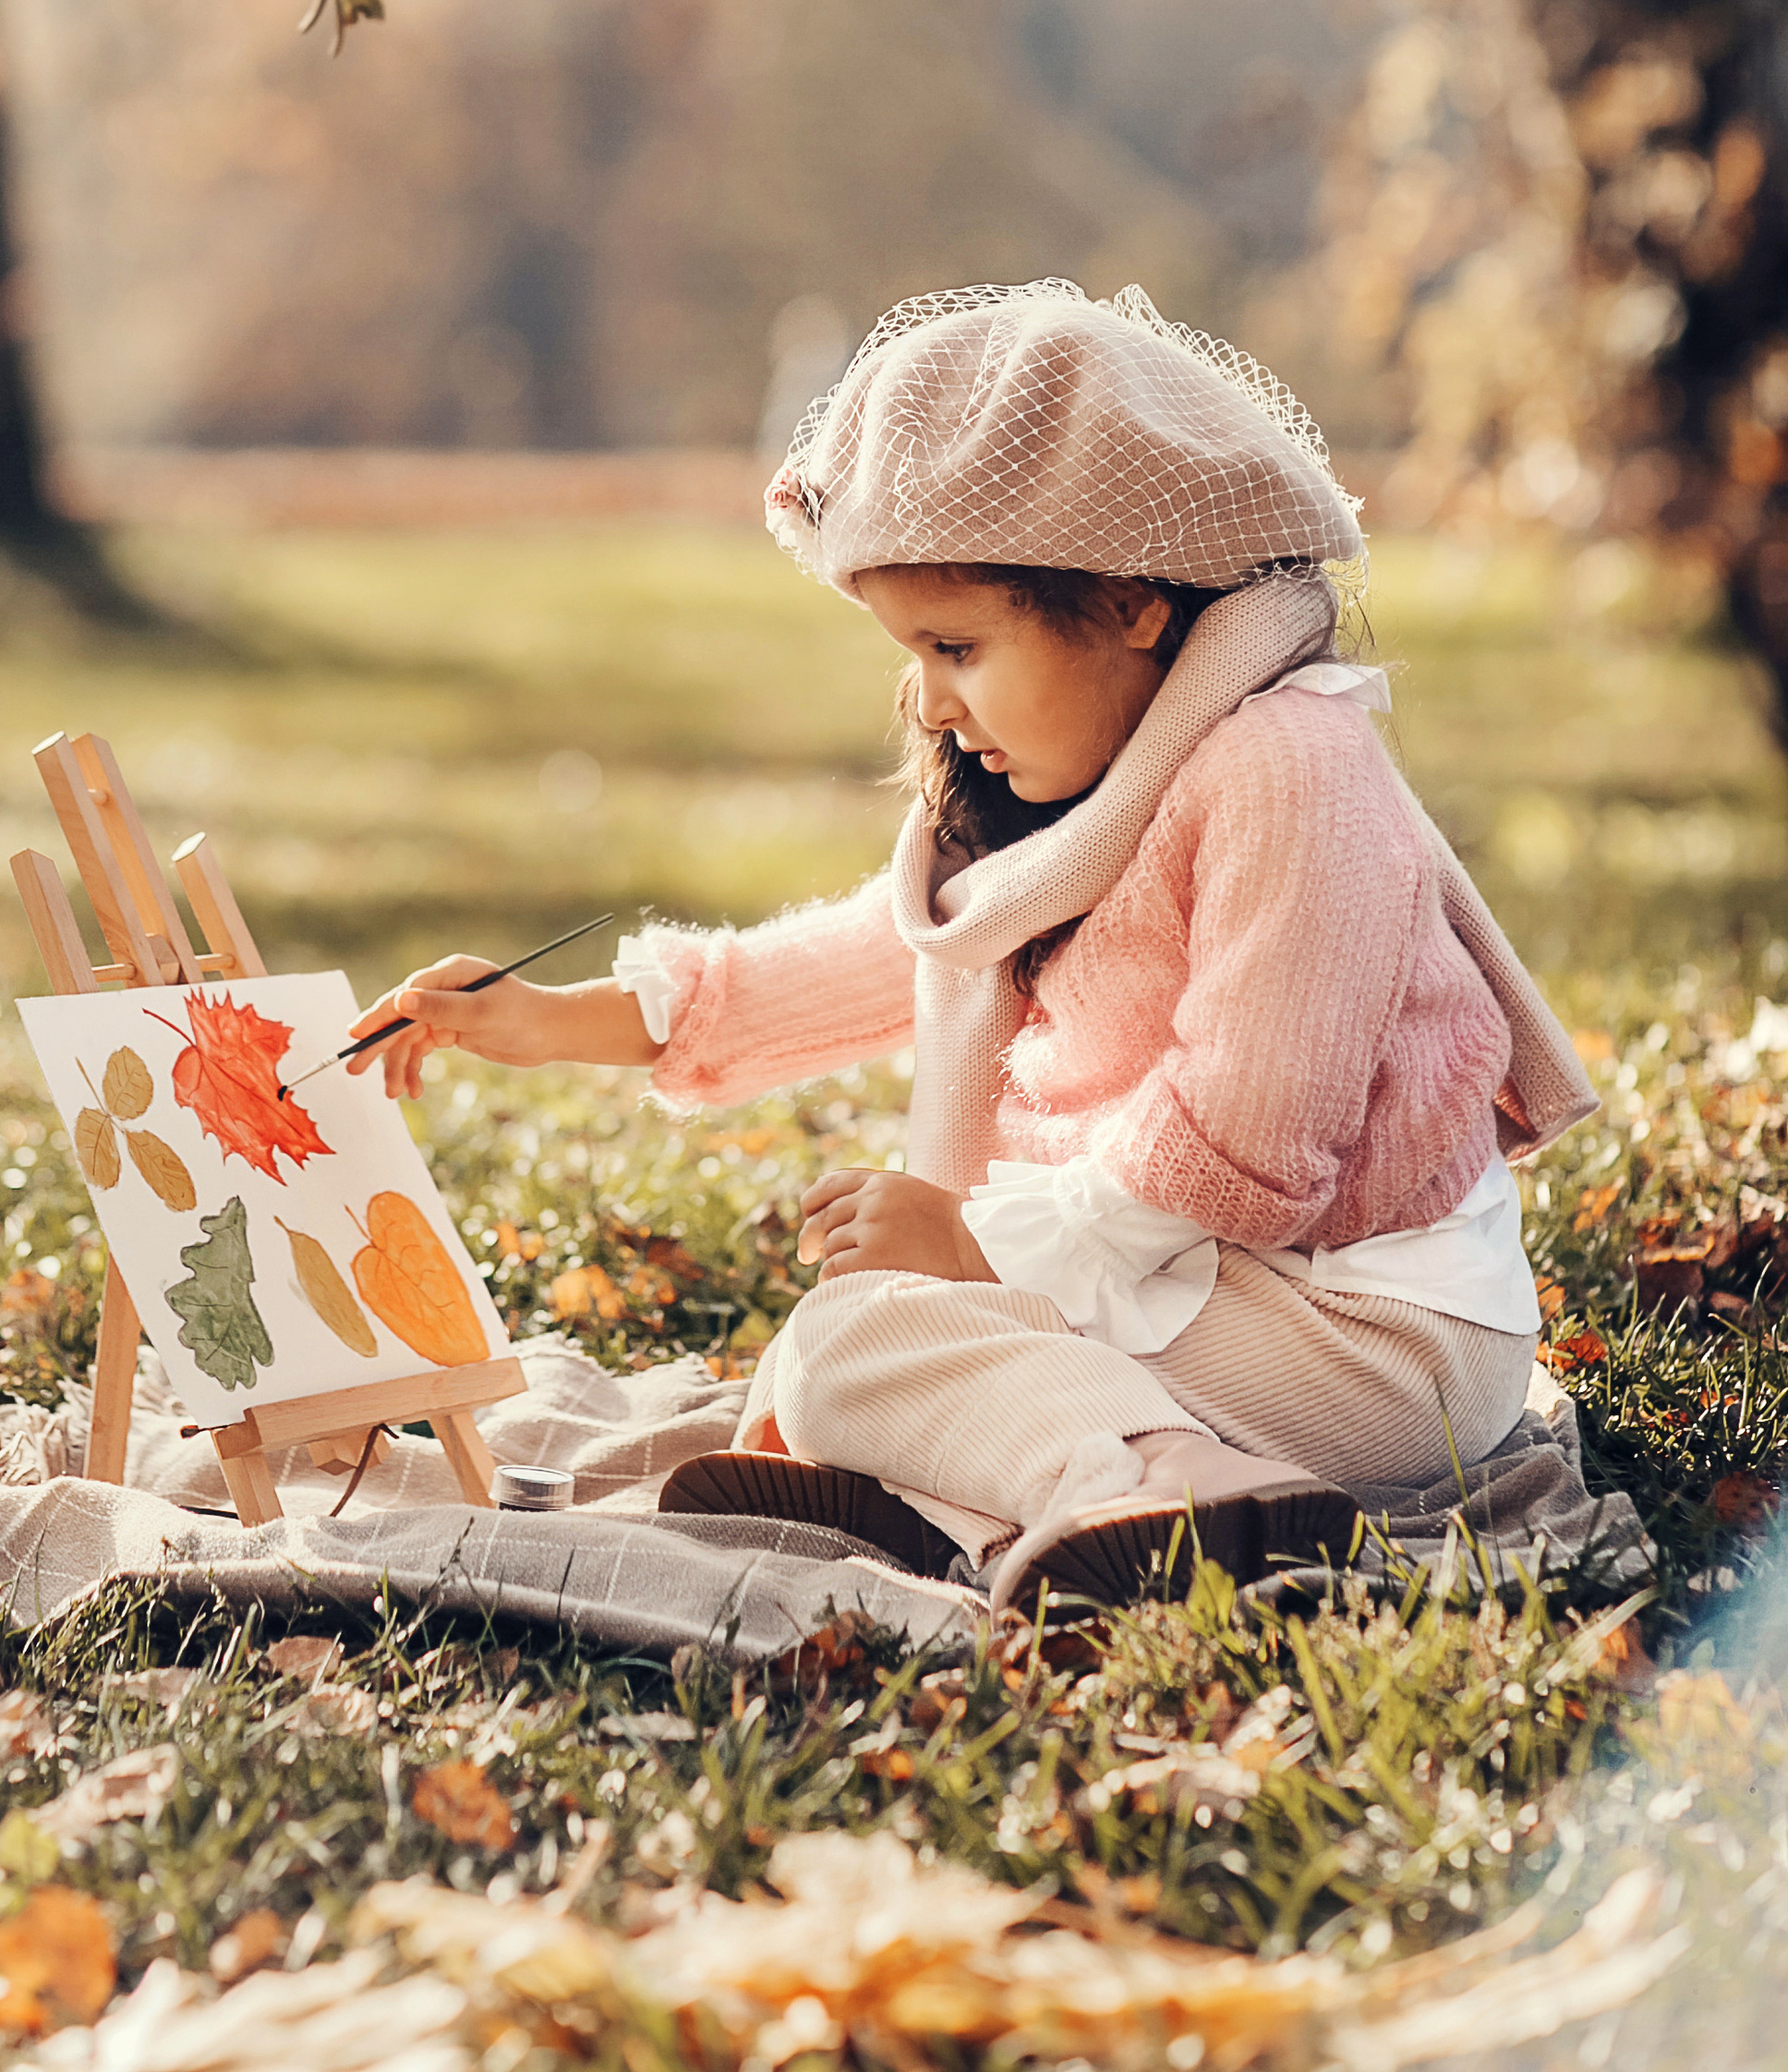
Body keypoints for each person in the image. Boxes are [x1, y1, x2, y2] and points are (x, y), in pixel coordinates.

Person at [344, 283, 1594, 1605]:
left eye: (958, 644)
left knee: (864, 1347)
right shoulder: (1086, 799)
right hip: (1200, 1279)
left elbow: (1255, 1124)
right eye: (912, 653)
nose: (931, 700)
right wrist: (553, 1021)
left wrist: (976, 1246)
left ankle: (1156, 1489)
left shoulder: (1293, 764)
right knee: (852, 1342)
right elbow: (880, 961)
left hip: (1371, 1343)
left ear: (1131, 604)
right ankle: (1012, 1490)